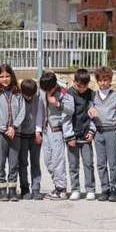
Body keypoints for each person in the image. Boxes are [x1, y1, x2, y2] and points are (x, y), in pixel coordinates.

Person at [0, 64, 25, 202]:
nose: (5, 79)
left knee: (14, 162)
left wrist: (14, 127)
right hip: (0, 133)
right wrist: (4, 128)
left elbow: (22, 112)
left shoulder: (18, 93)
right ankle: (2, 189)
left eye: (7, 76)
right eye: (2, 76)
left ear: (12, 77)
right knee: (0, 162)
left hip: (15, 132)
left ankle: (12, 189)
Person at [89, 67, 116, 202]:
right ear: (97, 81)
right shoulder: (93, 95)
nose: (103, 83)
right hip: (98, 131)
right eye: (100, 80)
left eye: (106, 80)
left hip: (111, 130)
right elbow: (90, 111)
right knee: (101, 162)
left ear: (110, 80)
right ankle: (104, 188)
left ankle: (114, 188)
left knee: (113, 162)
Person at [39, 72, 74, 200]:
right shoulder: (44, 92)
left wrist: (57, 104)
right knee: (48, 161)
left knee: (58, 161)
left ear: (54, 85)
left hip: (58, 130)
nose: (47, 90)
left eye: (49, 88)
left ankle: (61, 189)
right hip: (46, 130)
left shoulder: (64, 93)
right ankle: (57, 184)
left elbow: (71, 110)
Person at [67, 68, 97, 200]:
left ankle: (90, 189)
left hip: (86, 135)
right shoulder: (69, 94)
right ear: (74, 82)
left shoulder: (92, 94)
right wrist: (69, 135)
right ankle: (75, 189)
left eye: (84, 86)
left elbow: (94, 115)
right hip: (72, 136)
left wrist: (91, 131)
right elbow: (65, 117)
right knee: (73, 165)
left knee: (88, 163)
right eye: (79, 86)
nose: (81, 89)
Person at [15, 79, 43, 200]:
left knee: (35, 163)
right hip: (21, 135)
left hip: (34, 135)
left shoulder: (37, 98)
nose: (29, 97)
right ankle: (25, 189)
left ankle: (36, 188)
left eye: (31, 95)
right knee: (22, 163)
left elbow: (40, 114)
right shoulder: (18, 98)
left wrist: (38, 131)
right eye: (27, 95)